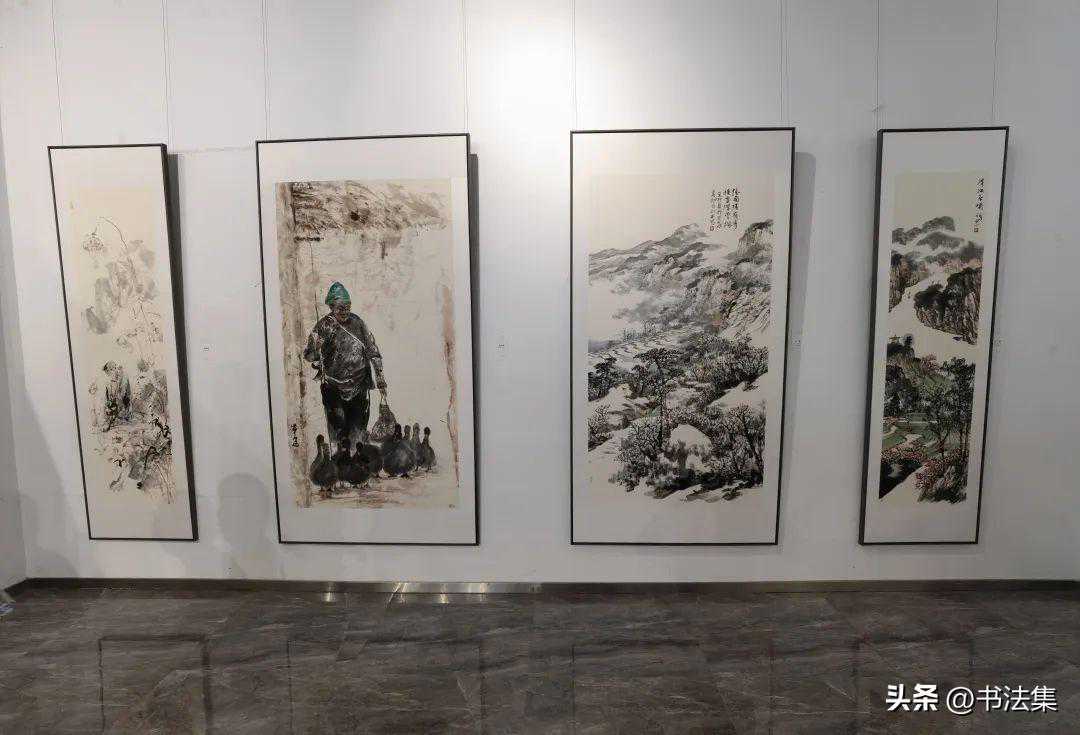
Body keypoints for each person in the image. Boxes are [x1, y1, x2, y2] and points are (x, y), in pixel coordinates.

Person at [303, 282, 387, 451]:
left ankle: (357, 461)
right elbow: (309, 356)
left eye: (348, 307)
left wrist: (379, 376)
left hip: (359, 385)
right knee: (338, 432)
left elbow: (372, 350)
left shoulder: (358, 323)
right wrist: (316, 347)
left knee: (358, 430)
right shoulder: (323, 326)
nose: (345, 311)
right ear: (331, 307)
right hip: (333, 387)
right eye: (340, 308)